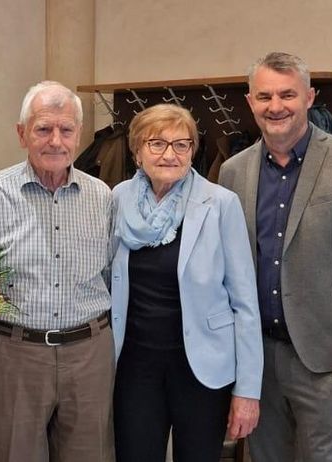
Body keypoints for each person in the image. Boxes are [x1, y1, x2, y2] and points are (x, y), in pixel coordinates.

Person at [218, 52, 332, 461]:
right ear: (250, 102)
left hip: (327, 363)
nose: (275, 106)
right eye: (265, 96)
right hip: (258, 363)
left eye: (287, 95)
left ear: (309, 98)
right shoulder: (232, 172)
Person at [0, 81, 115, 462]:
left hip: (88, 355)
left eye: (66, 129)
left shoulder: (103, 197)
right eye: (43, 129)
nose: (55, 141)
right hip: (14, 355)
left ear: (79, 134)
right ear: (22, 133)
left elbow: (110, 277)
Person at [109, 103, 263, 461]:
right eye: (157, 143)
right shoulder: (117, 199)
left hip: (202, 369)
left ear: (193, 151)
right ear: (136, 152)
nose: (170, 154)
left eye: (181, 144)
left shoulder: (220, 203)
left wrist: (248, 390)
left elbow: (245, 303)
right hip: (134, 367)